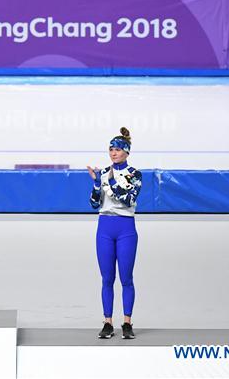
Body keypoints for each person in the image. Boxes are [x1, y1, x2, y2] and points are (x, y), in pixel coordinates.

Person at [87, 127, 142, 340]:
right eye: (111, 149)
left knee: (126, 278)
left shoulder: (135, 174)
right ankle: (107, 322)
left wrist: (109, 181)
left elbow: (128, 199)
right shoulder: (102, 173)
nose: (113, 153)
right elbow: (94, 203)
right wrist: (95, 183)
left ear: (127, 152)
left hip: (126, 228)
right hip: (105, 227)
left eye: (118, 149)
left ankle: (127, 323)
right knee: (107, 278)